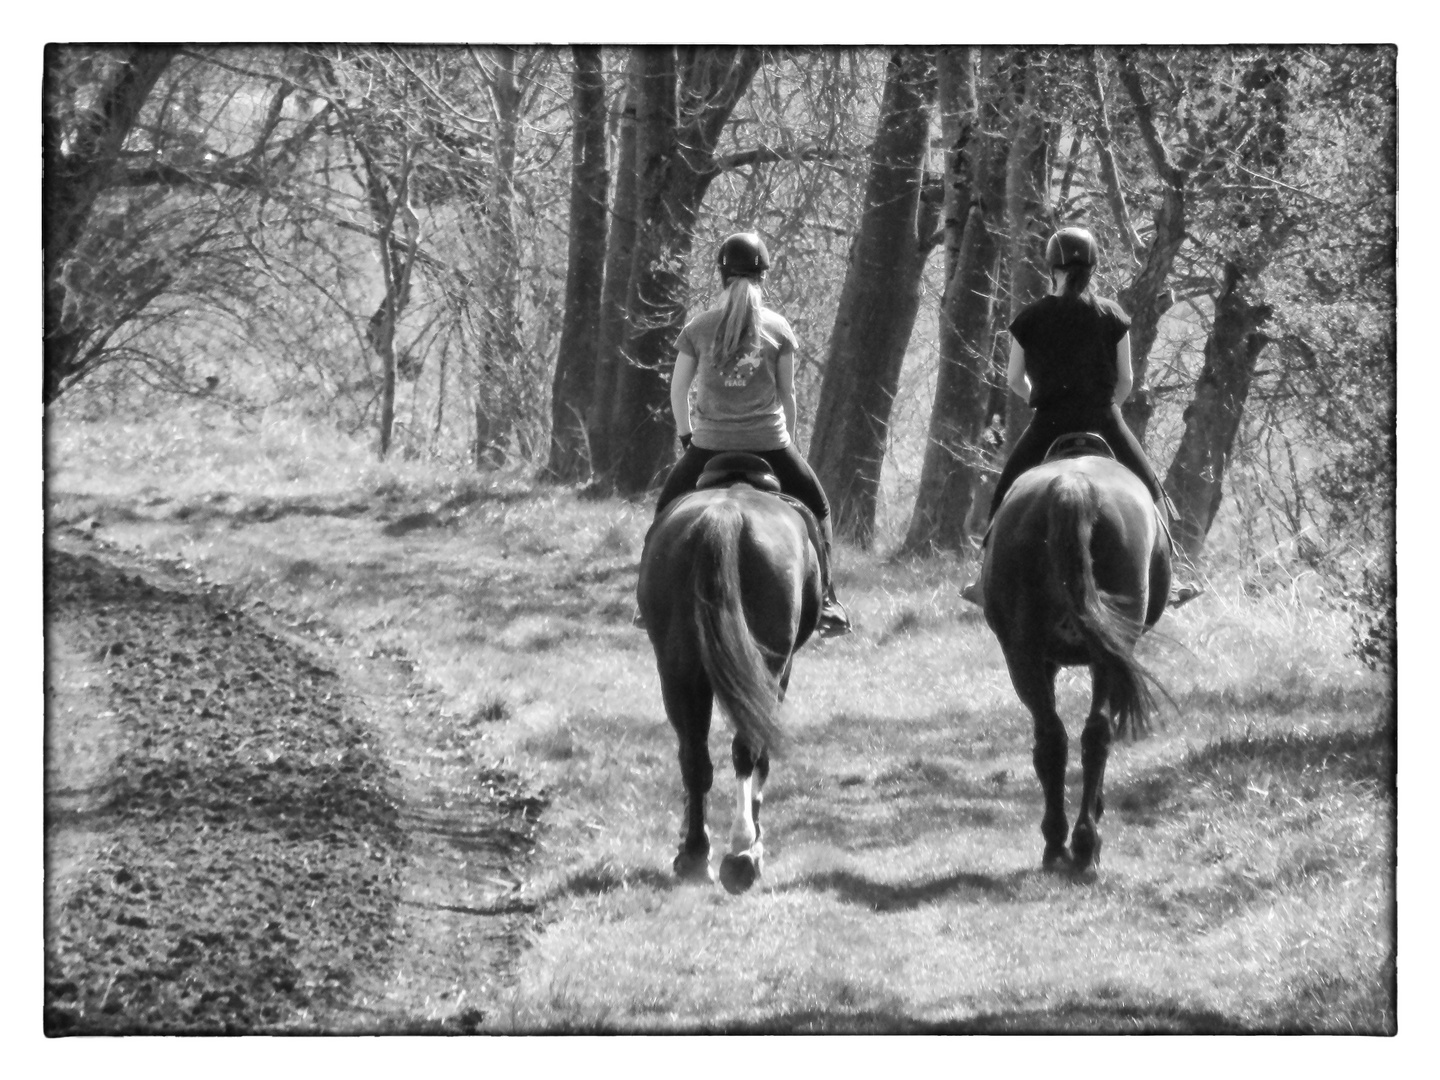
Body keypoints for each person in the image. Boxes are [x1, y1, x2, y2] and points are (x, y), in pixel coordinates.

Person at [961, 225, 1196, 605]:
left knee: (1004, 493)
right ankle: (1174, 576)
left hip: (1048, 423)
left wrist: (1039, 398)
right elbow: (1126, 380)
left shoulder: (1029, 319)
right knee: (1153, 493)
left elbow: (1014, 379)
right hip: (1104, 420)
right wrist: (1108, 407)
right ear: (1093, 268)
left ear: (1050, 267)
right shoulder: (1113, 316)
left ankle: (983, 577)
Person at [643, 231, 852, 637]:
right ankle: (827, 600)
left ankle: (646, 601)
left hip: (708, 446)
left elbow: (678, 389)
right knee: (818, 508)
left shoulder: (699, 327)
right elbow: (787, 394)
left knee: (665, 510)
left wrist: (688, 437)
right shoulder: (779, 328)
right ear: (763, 277)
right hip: (770, 445)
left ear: (721, 276)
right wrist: (787, 441)